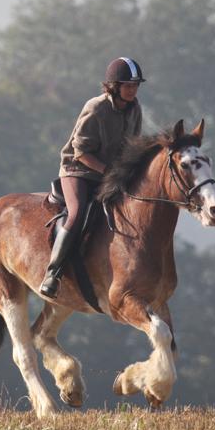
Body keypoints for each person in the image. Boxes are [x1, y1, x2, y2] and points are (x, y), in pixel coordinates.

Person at [40, 57, 145, 298]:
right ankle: (53, 273)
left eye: (136, 85)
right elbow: (81, 152)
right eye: (128, 85)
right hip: (78, 170)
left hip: (109, 173)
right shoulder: (96, 108)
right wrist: (111, 173)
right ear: (113, 86)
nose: (133, 90)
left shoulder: (135, 109)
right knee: (77, 215)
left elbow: (133, 147)